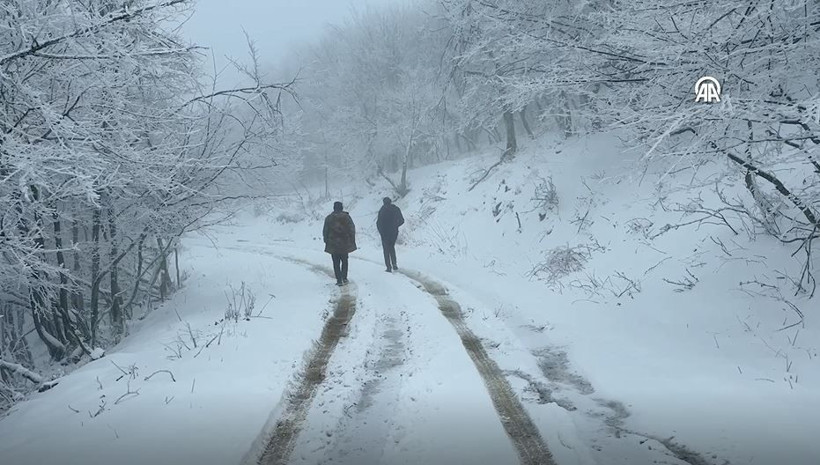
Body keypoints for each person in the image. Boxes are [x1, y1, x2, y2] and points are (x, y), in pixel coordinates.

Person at [323, 201, 357, 286]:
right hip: (344, 243)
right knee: (345, 261)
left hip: (333, 244)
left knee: (336, 262)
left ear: (334, 208)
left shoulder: (329, 218)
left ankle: (338, 280)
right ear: (341, 208)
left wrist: (326, 240)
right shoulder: (346, 217)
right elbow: (352, 229)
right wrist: (352, 240)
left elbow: (325, 231)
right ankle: (344, 278)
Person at [376, 197, 404, 272]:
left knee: (386, 250)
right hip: (394, 232)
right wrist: (395, 226)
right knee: (392, 247)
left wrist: (381, 232)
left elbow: (378, 223)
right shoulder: (396, 209)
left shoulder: (382, 210)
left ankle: (388, 267)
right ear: (390, 202)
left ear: (383, 202)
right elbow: (402, 220)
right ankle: (394, 264)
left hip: (385, 233)